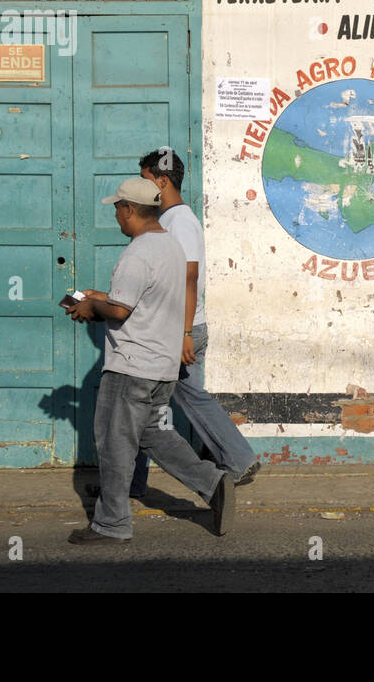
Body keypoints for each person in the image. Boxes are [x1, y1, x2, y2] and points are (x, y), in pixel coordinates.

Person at [65, 177, 234, 544]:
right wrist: (101, 297)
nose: (115, 216)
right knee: (153, 435)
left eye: (116, 209)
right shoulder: (171, 246)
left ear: (128, 210)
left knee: (114, 441)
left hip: (131, 365)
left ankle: (111, 523)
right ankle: (213, 482)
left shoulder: (138, 252)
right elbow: (143, 298)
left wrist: (91, 306)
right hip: (162, 366)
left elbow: (121, 310)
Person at [128, 148, 260, 499]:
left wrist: (184, 333)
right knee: (149, 405)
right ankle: (131, 481)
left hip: (180, 330)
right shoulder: (171, 219)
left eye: (146, 181)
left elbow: (188, 278)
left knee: (143, 404)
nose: (143, 190)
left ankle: (238, 459)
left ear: (162, 181)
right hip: (176, 328)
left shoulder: (179, 221)